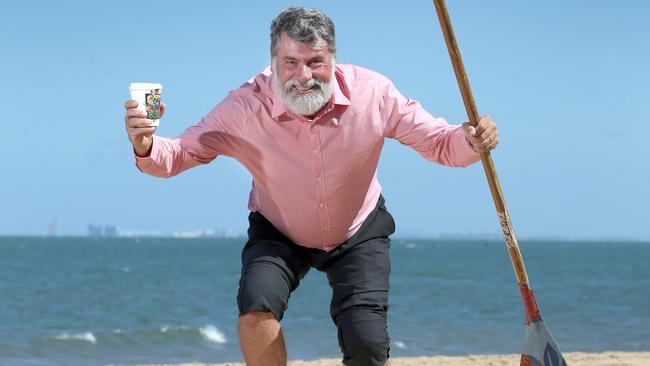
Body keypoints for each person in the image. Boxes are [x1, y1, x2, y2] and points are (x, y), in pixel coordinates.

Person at [123, 7, 498, 366]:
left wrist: (471, 140)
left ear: (333, 59)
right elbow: (179, 154)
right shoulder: (244, 106)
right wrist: (146, 145)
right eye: (290, 63)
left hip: (358, 229)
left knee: (366, 344)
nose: (304, 76)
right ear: (273, 63)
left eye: (315, 62)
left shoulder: (374, 93)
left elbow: (440, 142)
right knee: (256, 307)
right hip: (278, 229)